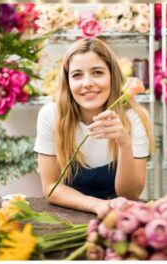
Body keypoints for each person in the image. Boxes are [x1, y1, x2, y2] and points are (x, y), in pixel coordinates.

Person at [34, 37, 154, 218]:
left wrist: (124, 143)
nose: (87, 83)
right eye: (77, 75)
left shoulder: (133, 118)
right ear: (67, 82)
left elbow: (130, 195)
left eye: (97, 72)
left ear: (112, 77)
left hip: (117, 216)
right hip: (67, 214)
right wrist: (98, 205)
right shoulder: (51, 115)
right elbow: (51, 187)